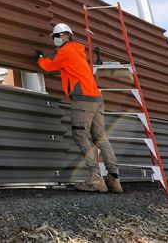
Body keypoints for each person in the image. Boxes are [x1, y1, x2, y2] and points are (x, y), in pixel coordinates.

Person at [36, 22, 123, 194]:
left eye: (56, 36)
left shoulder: (66, 51)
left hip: (84, 100)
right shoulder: (78, 51)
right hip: (97, 98)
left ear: (64, 35)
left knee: (80, 135)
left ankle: (95, 178)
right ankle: (113, 179)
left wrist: (39, 58)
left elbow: (48, 66)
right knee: (100, 137)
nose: (54, 40)